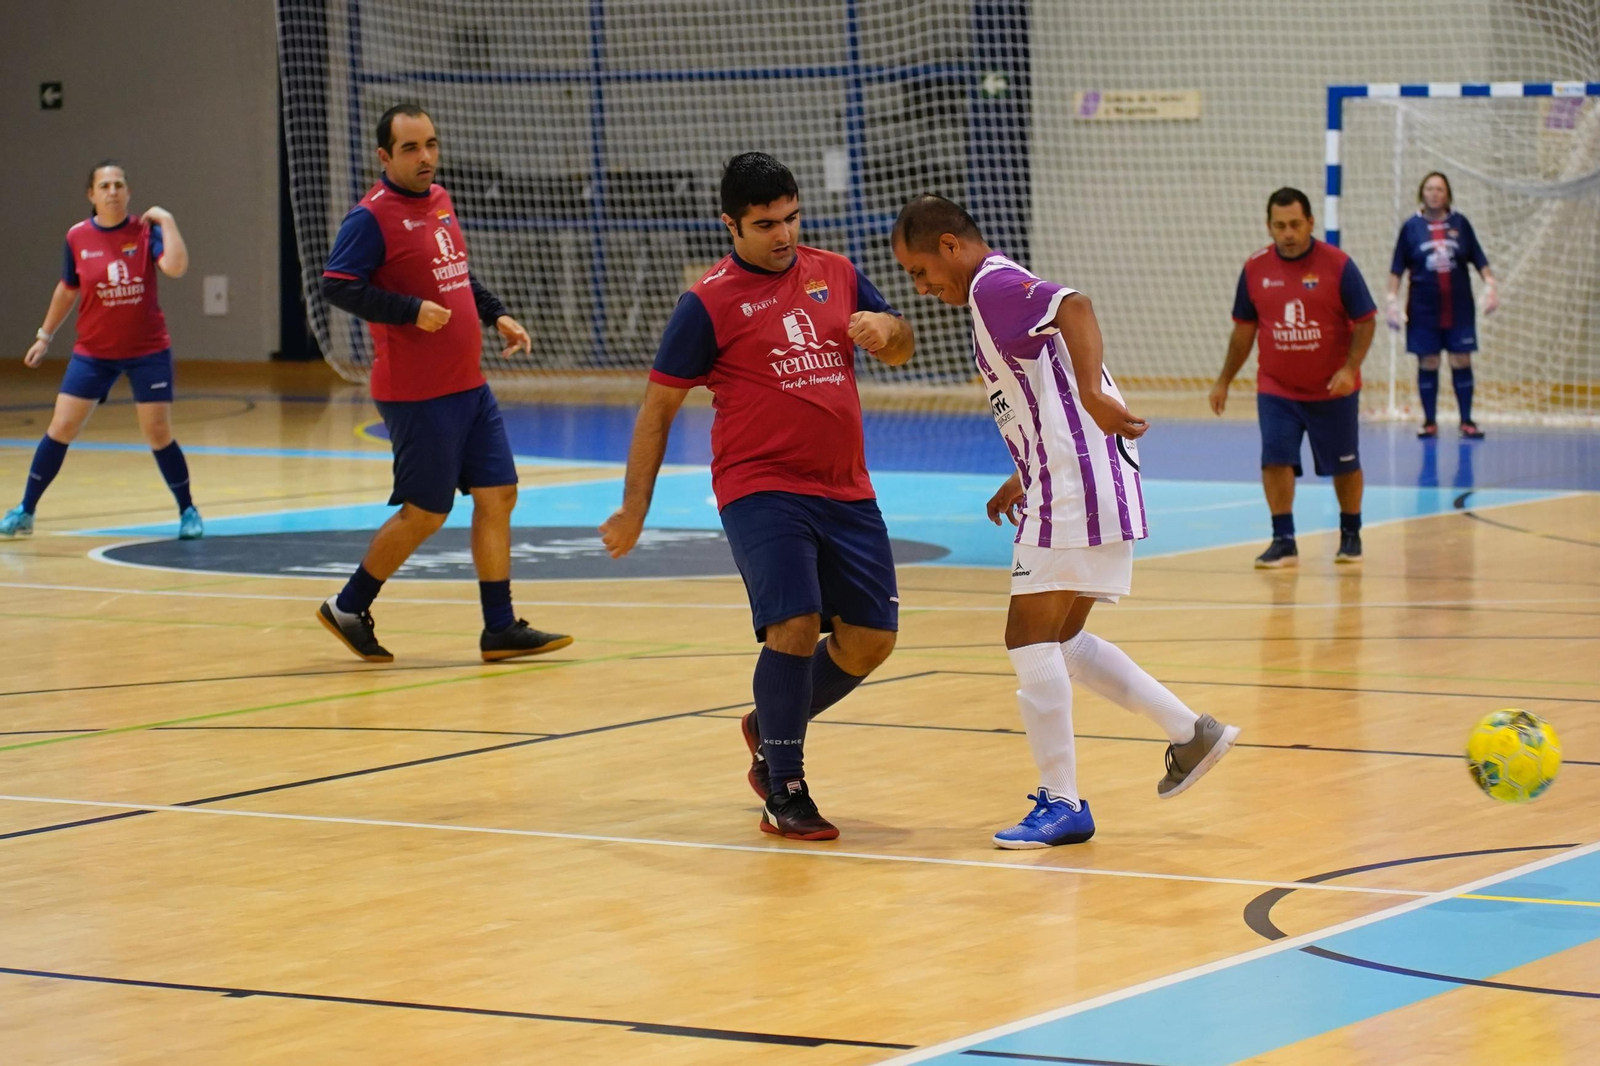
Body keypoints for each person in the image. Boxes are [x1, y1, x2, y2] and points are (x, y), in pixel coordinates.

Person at [891, 194, 1240, 849]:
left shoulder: (992, 285)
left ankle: (1062, 803)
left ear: (949, 246)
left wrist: (1091, 391)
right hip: (1081, 477)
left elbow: (1075, 306)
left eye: (918, 270)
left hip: (1077, 485)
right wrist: (1022, 473)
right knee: (1065, 640)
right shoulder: (988, 297)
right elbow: (1037, 392)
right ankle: (1191, 733)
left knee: (1027, 638)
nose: (920, 285)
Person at [600, 152, 914, 841]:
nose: (784, 234)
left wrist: (887, 331)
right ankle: (786, 784)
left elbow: (901, 345)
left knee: (871, 641)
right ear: (731, 226)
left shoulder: (836, 272)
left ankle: (765, 727)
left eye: (792, 217)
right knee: (795, 626)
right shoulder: (707, 303)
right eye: (766, 223)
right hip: (760, 485)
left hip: (847, 488)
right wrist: (634, 508)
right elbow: (658, 410)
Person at [316, 102, 571, 664]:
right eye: (411, 148)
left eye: (431, 144)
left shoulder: (438, 199)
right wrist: (407, 310)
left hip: (467, 385)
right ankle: (348, 606)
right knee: (426, 512)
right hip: (415, 392)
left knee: (498, 493)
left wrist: (495, 312)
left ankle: (499, 627)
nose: (425, 156)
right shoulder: (371, 217)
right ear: (385, 156)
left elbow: (454, 274)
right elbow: (337, 285)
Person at [3, 162, 201, 540]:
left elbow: (176, 267)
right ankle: (25, 510)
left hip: (147, 351)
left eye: (119, 184)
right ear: (91, 195)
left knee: (157, 432)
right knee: (61, 427)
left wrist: (167, 219)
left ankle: (188, 511)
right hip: (93, 351)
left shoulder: (145, 232)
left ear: (128, 193)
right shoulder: (77, 236)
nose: (112, 191)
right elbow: (67, 289)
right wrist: (44, 336)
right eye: (104, 185)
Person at [1210, 187, 1377, 569]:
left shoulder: (1338, 265)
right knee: (1274, 459)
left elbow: (1366, 320)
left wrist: (1350, 368)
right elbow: (1243, 331)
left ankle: (1351, 533)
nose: (1288, 233)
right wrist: (1224, 380)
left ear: (1311, 223)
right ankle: (1283, 539)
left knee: (1344, 465)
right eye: (1280, 225)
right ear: (1268, 226)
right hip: (1277, 388)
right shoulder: (1255, 268)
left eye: (1295, 225)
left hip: (1332, 389)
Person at [1385, 171, 1497, 439]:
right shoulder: (1411, 227)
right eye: (1429, 188)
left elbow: (1479, 259)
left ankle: (1467, 420)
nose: (1434, 193)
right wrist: (1391, 300)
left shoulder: (1461, 224)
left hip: (1458, 308)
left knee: (1461, 359)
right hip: (1423, 310)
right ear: (1422, 193)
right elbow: (1397, 268)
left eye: (1439, 189)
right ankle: (1429, 422)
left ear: (1447, 194)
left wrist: (1491, 285)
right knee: (1429, 361)